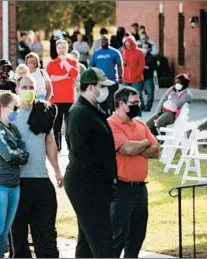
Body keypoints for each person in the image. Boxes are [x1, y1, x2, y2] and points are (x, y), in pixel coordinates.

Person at [64, 67, 117, 258]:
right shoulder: (79, 113)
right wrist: (103, 174)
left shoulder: (91, 109)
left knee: (87, 240)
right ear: (90, 87)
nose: (104, 90)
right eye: (101, 86)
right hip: (86, 183)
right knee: (102, 238)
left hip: (93, 182)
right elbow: (80, 151)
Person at [10, 75, 62, 258]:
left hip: (40, 179)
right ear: (17, 90)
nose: (28, 90)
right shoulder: (10, 116)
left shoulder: (43, 113)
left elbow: (50, 142)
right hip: (17, 183)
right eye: (24, 87)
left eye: (32, 87)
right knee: (18, 238)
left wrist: (57, 170)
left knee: (46, 235)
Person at [107, 86, 160, 258]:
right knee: (118, 235)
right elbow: (126, 149)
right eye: (134, 102)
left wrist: (137, 146)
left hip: (140, 189)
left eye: (139, 101)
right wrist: (145, 143)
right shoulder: (111, 124)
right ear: (121, 103)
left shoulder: (140, 124)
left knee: (138, 235)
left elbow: (156, 151)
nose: (138, 105)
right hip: (121, 188)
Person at [0, 92, 29, 258]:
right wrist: (18, 154)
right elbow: (9, 154)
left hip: (13, 185)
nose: (17, 111)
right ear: (3, 108)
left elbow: (24, 153)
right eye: (15, 108)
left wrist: (18, 154)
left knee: (4, 232)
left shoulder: (13, 129)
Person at [46, 39, 79, 151]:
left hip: (69, 98)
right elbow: (50, 78)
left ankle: (71, 147)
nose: (62, 50)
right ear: (56, 49)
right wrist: (65, 76)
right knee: (57, 126)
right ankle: (58, 147)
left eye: (64, 48)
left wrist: (65, 63)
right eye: (60, 48)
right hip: (55, 99)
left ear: (67, 48)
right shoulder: (51, 63)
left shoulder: (73, 62)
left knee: (70, 126)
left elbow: (74, 74)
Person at [90, 35, 123, 117]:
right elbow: (91, 67)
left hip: (112, 81)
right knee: (101, 101)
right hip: (100, 82)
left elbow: (119, 65)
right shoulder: (96, 53)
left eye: (105, 40)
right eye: (102, 40)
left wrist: (120, 77)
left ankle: (113, 118)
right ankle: (104, 117)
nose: (104, 42)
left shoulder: (115, 52)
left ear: (109, 41)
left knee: (112, 102)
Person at [121, 35, 146, 116]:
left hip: (136, 79)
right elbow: (121, 63)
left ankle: (138, 114)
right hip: (126, 78)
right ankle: (127, 113)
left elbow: (141, 66)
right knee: (124, 97)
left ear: (133, 43)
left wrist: (135, 75)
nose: (127, 46)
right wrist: (123, 65)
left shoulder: (139, 52)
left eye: (129, 44)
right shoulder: (123, 51)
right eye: (126, 44)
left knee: (137, 97)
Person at [142, 42, 158, 112]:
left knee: (150, 92)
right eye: (143, 47)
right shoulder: (139, 56)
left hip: (148, 77)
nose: (144, 49)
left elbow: (155, 67)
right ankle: (141, 106)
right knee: (138, 93)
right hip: (139, 77)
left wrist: (148, 67)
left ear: (149, 49)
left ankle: (148, 107)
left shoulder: (151, 57)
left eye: (146, 47)